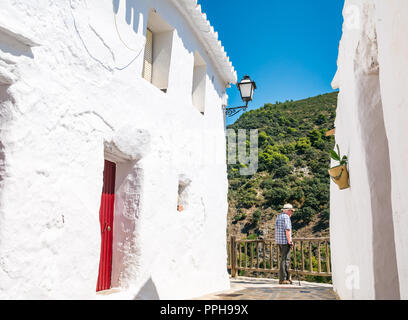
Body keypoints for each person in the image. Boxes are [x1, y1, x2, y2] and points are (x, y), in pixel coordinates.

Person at [275, 203, 295, 284]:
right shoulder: (286, 217)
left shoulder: (278, 216)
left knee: (283, 259)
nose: (292, 213)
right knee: (285, 260)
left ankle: (285, 278)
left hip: (279, 241)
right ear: (288, 211)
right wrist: (290, 241)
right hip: (285, 241)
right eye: (291, 211)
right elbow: (287, 230)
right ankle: (283, 279)